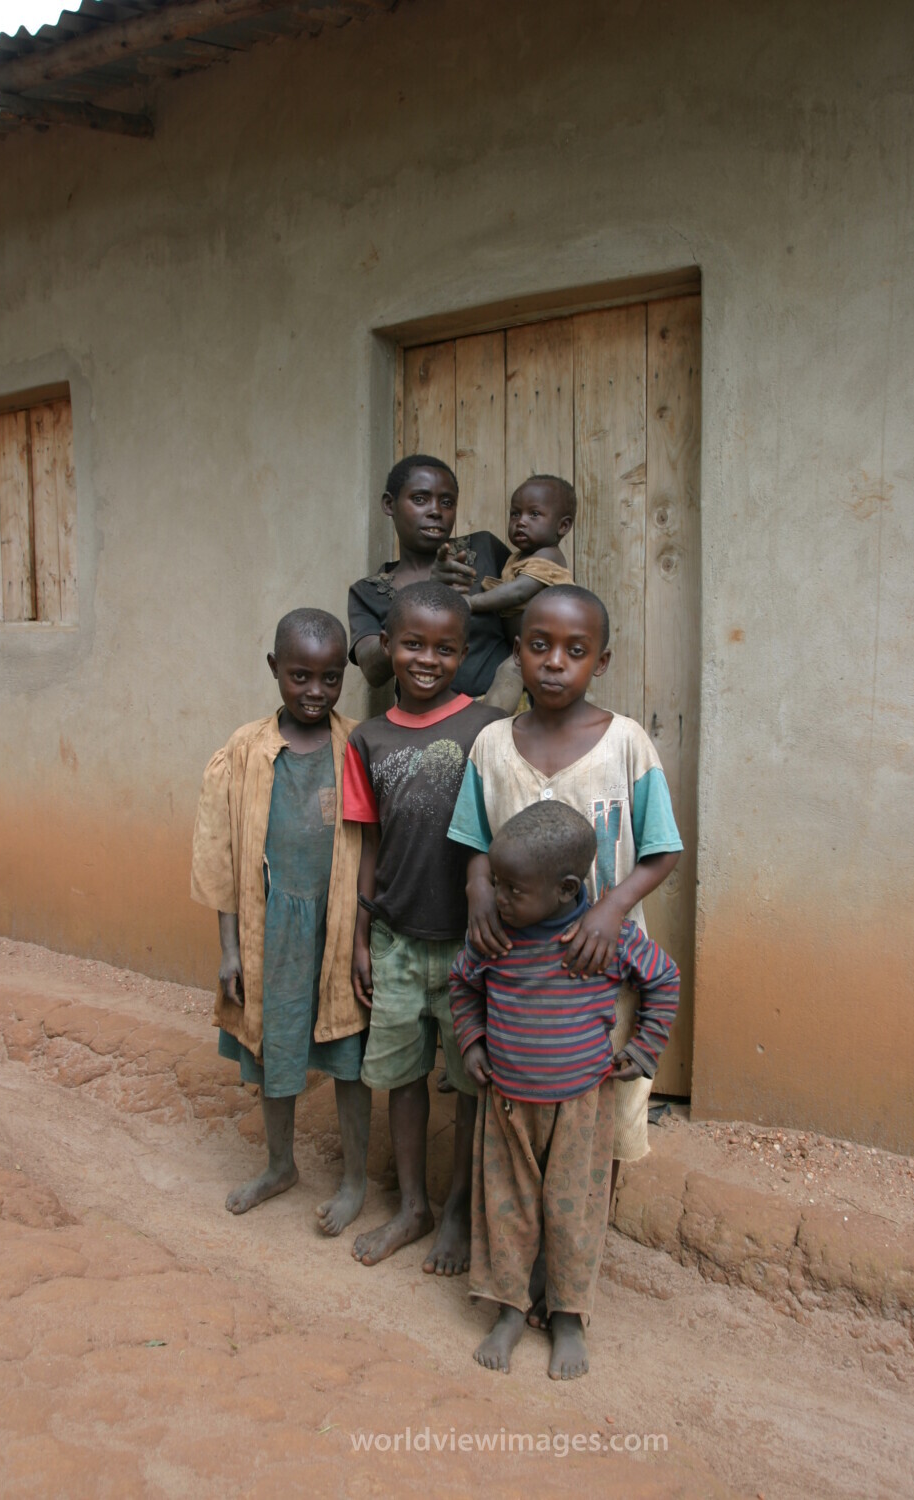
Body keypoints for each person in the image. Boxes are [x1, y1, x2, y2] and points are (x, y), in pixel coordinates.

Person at [448, 584, 683, 1315]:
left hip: (602, 970)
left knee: (599, 1123)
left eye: (575, 652)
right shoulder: (492, 745)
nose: (554, 664)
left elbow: (662, 851)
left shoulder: (626, 744)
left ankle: (571, 1267)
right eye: (539, 646)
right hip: (518, 974)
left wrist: (613, 908)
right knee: (512, 1111)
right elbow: (473, 844)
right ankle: (516, 1261)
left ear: (600, 661)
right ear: (516, 652)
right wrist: (479, 892)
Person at [450, 800, 680, 1380]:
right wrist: (473, 1041)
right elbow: (462, 985)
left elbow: (665, 981)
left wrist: (645, 1049)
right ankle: (507, 1310)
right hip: (506, 1105)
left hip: (581, 1105)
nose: (496, 897)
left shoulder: (603, 939)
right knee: (507, 1209)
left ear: (566, 889)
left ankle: (568, 1318)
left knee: (573, 1213)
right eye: (495, 883)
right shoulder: (497, 938)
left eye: (511, 889)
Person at [190, 609, 371, 1235]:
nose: (315, 693)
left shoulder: (358, 747)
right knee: (275, 1046)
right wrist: (231, 948)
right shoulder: (243, 752)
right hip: (273, 931)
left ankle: (354, 1181)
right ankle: (278, 1165)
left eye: (329, 679)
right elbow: (221, 859)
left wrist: (365, 936)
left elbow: (373, 847)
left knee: (348, 1053)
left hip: (341, 926)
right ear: (274, 670)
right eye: (299, 677)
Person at [342, 581, 504, 1273]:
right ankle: (413, 1205)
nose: (427, 660)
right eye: (412, 644)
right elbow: (367, 844)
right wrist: (359, 935)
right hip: (398, 938)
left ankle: (459, 1213)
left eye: (444, 649)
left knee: (470, 1086)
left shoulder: (489, 729)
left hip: (471, 945)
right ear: (386, 647)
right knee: (402, 1079)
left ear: (463, 655)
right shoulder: (367, 737)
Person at [347, 454, 518, 708]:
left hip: (501, 716)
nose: (436, 511)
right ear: (389, 504)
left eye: (447, 502)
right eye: (420, 499)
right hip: (424, 726)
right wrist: (429, 591)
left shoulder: (484, 550)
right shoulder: (369, 591)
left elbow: (525, 627)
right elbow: (373, 671)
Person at [472, 474, 576, 710]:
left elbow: (518, 592)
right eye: (515, 514)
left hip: (548, 646)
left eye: (534, 514)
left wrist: (472, 602)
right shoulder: (518, 558)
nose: (521, 521)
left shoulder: (549, 556)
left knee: (509, 672)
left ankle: (490, 727)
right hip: (529, 646)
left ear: (563, 526)